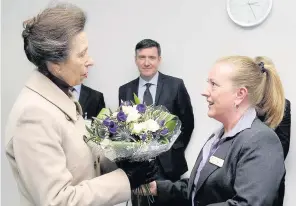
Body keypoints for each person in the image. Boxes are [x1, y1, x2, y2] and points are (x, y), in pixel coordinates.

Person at [5, 4, 156, 206]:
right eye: (81, 54)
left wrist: (123, 159)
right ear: (55, 64)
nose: (90, 61)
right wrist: (126, 180)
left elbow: (83, 160)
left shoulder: (61, 97)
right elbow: (58, 201)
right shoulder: (33, 115)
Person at [147, 56, 286, 206]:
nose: (205, 92)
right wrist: (157, 188)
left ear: (240, 94)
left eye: (213, 84)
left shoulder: (261, 140)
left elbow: (249, 203)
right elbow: (200, 190)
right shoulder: (218, 136)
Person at [118, 39, 194, 205]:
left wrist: (174, 148)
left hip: (169, 165)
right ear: (135, 59)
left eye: (151, 57)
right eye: (142, 57)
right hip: (138, 166)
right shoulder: (125, 90)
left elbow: (187, 122)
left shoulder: (175, 85)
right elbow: (124, 127)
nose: (146, 62)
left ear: (159, 59)